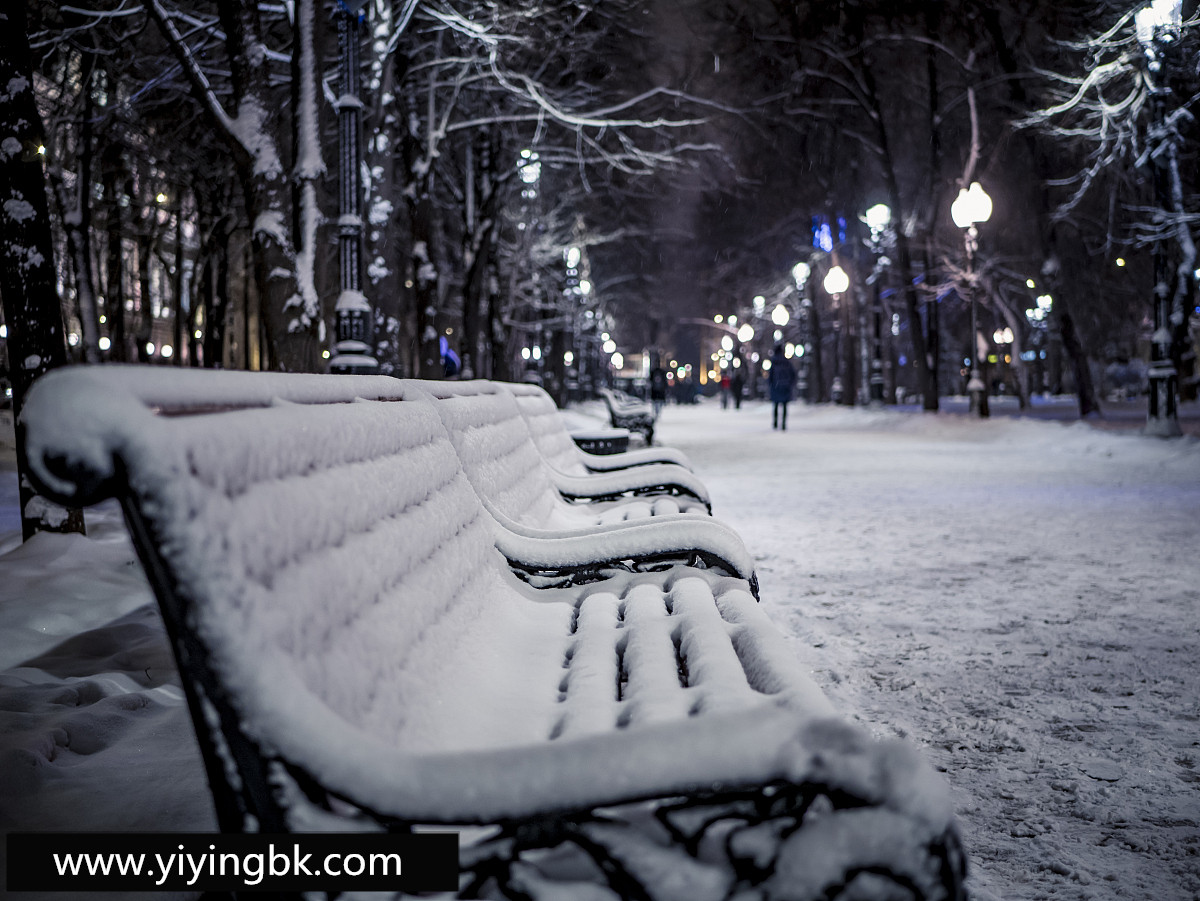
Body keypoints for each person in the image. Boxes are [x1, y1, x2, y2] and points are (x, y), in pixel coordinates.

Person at [768, 344, 797, 430]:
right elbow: (793, 374)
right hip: (785, 386)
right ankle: (784, 423)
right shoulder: (787, 362)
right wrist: (790, 383)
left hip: (776, 386)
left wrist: (771, 384)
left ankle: (775, 422)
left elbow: (770, 375)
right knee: (784, 405)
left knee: (776, 405)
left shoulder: (774, 362)